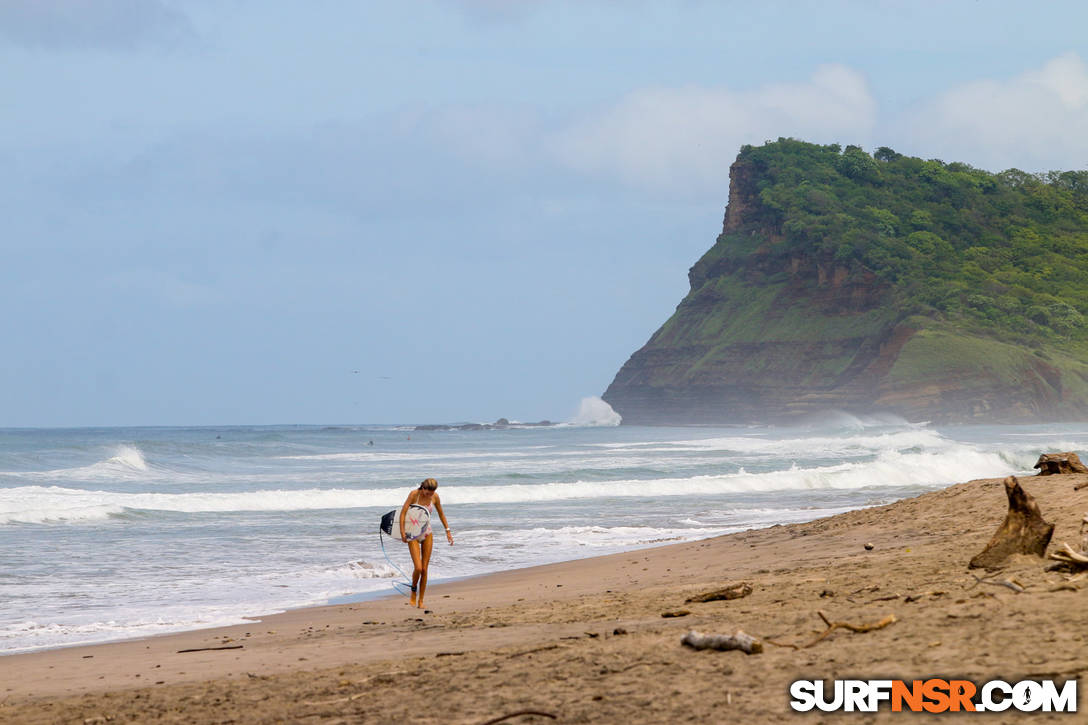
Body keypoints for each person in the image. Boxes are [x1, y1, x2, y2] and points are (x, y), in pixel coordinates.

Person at [399, 477, 453, 608]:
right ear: (423, 488)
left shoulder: (435, 497)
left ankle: (421, 600)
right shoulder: (414, 495)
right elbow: (403, 513)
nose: (430, 495)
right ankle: (413, 591)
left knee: (424, 569)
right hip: (412, 533)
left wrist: (448, 531)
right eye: (428, 492)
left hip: (427, 533)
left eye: (432, 493)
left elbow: (441, 514)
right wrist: (402, 532)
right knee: (418, 567)